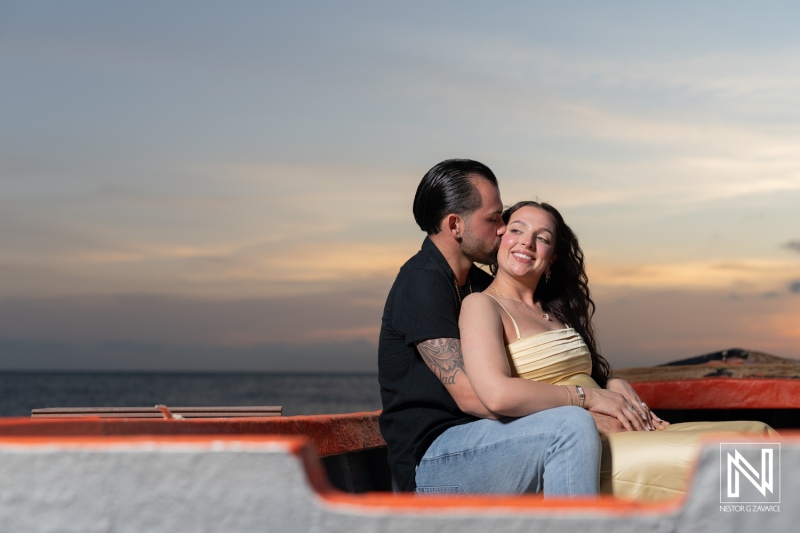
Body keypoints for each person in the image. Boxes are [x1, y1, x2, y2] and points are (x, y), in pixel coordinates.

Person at [459, 200, 776, 501]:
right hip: (580, 442)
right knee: (734, 456)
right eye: (517, 229)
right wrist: (589, 403)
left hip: (622, 426)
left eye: (541, 238)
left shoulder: (554, 312)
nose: (526, 243)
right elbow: (497, 395)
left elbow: (582, 375)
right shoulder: (482, 305)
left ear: (552, 258)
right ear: (499, 238)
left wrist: (613, 385)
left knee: (755, 434)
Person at [378, 160, 601, 496]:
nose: (502, 228)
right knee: (570, 427)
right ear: (455, 225)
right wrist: (586, 405)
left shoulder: (480, 283)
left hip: (488, 439)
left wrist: (607, 387)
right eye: (493, 218)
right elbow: (473, 397)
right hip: (434, 461)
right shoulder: (422, 282)